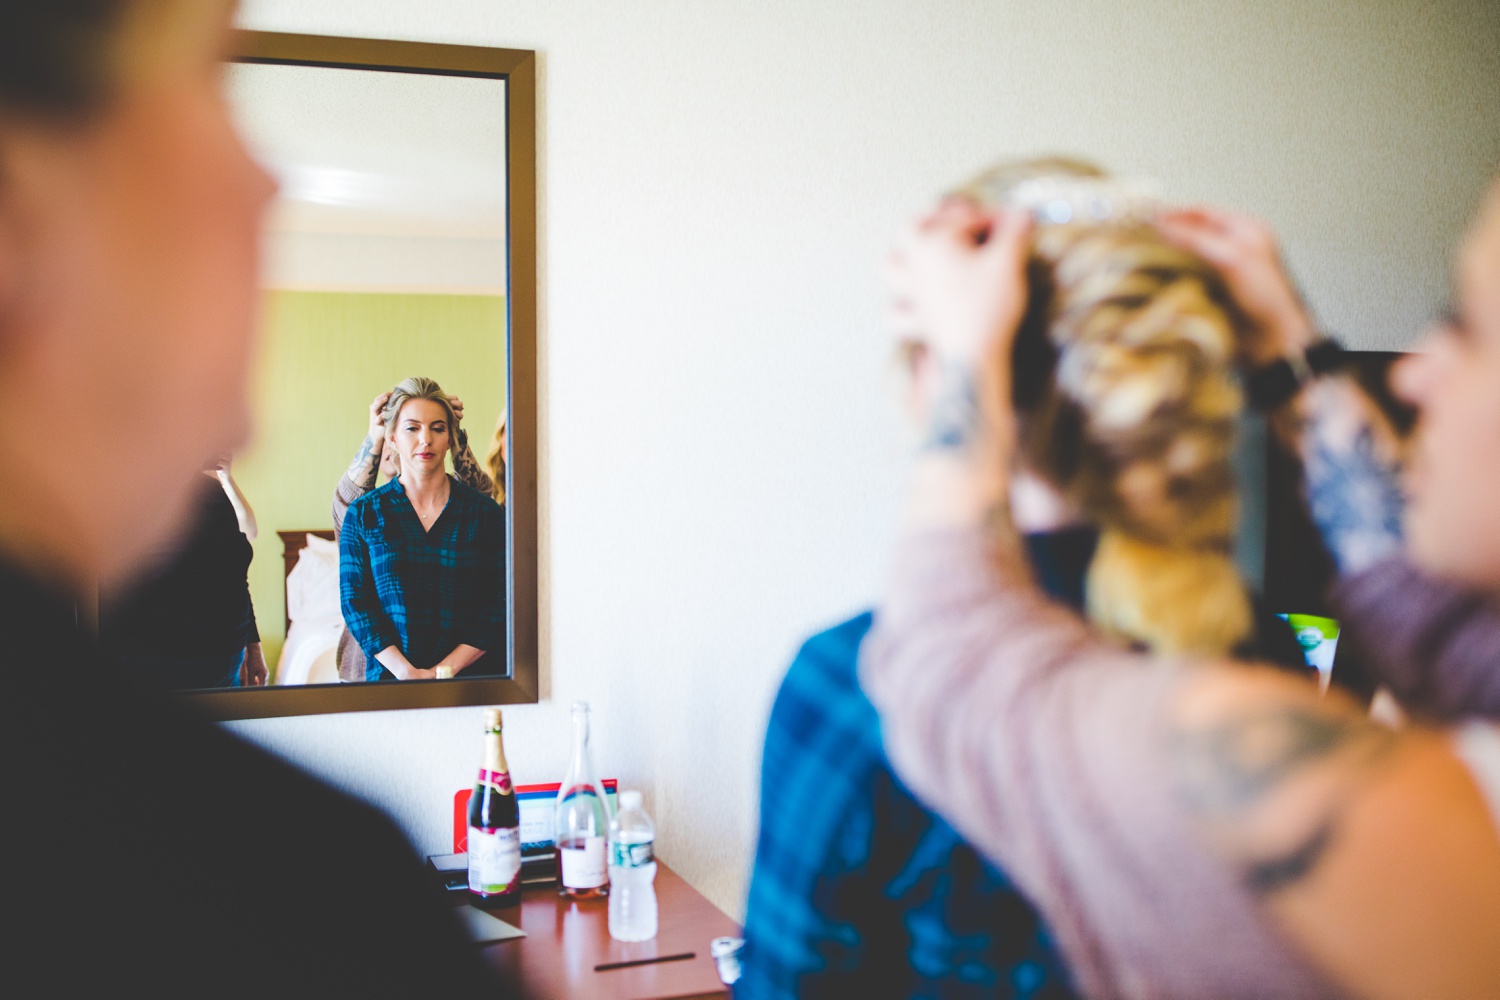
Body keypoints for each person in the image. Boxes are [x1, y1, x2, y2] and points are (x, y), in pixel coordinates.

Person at [862, 165, 1500, 999]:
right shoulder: (1284, 659)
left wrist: (962, 364)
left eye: (1467, 326)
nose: (1414, 373)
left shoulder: (1386, 809)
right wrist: (1290, 343)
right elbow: (1426, 622)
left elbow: (949, 658)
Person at [0, 2, 505, 993]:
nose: (264, 177)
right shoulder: (305, 893)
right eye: (207, 83)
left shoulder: (484, 512)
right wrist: (401, 663)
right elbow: (355, 606)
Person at [741, 163, 1317, 996]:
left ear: (935, 386)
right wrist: (1296, 345)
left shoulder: (863, 689)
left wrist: (965, 363)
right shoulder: (1258, 652)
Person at [340, 376, 506, 681]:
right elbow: (356, 603)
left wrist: (444, 671)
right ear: (392, 439)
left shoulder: (484, 515)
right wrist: (407, 673)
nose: (425, 440)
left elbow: (495, 605)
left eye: (438, 428)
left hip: (470, 681)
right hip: (389, 682)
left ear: (450, 438)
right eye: (412, 428)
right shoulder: (364, 514)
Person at [102, 457, 267, 688]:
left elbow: (235, 573)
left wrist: (253, 645)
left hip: (224, 662)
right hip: (153, 658)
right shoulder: (128, 492)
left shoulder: (213, 491)